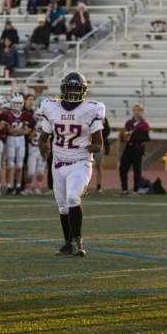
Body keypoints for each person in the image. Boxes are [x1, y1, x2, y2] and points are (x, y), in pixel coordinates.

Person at [38, 72, 104, 256]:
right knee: (63, 206)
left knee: (74, 198)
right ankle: (68, 243)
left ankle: (78, 242)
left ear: (83, 90)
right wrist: (42, 146)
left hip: (80, 161)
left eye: (77, 88)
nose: (73, 92)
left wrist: (94, 147)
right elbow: (43, 137)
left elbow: (100, 142)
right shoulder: (51, 108)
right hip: (58, 163)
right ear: (64, 89)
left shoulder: (91, 109)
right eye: (71, 88)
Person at [2, 95, 31, 195]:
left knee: (19, 164)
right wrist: (21, 130)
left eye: (19, 103)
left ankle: (18, 186)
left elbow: (26, 131)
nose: (17, 106)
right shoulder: (8, 114)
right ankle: (9, 186)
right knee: (10, 164)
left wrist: (17, 131)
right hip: (11, 139)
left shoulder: (25, 115)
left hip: (20, 140)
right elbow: (10, 130)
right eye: (15, 103)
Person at [118, 103, 149, 196]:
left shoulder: (144, 124)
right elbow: (125, 133)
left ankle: (135, 189)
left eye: (138, 110)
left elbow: (146, 137)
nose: (136, 112)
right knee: (123, 168)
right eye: (135, 110)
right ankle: (124, 189)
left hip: (137, 148)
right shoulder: (129, 122)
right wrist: (123, 137)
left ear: (141, 112)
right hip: (128, 147)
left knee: (137, 170)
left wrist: (132, 137)